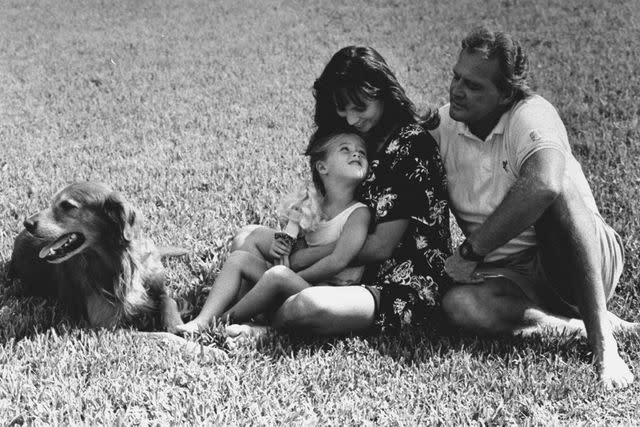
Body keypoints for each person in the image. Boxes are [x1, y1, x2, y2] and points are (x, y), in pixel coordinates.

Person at [432, 26, 638, 389]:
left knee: (555, 188)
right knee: (458, 306)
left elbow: (544, 184)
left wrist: (470, 251)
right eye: (456, 76)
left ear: (505, 94)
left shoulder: (531, 113)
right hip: (512, 276)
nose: (456, 90)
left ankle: (604, 343)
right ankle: (579, 326)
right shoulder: (445, 124)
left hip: (576, 259)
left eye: (474, 85)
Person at [231, 46, 452, 335]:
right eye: (342, 108)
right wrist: (292, 239)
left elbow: (379, 247)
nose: (350, 119)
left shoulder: (412, 147)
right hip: (343, 271)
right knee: (246, 237)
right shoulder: (360, 137)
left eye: (359, 107)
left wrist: (303, 259)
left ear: (383, 92)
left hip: (400, 285)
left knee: (309, 305)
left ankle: (261, 326)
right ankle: (242, 306)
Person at [175, 132, 371, 334]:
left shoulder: (358, 213)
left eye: (362, 152)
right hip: (297, 281)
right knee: (239, 258)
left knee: (277, 274)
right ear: (322, 167)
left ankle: (220, 322)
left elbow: (338, 261)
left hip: (325, 295)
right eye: (345, 149)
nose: (356, 154)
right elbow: (295, 242)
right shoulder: (312, 205)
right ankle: (202, 319)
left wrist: (292, 274)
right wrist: (280, 246)